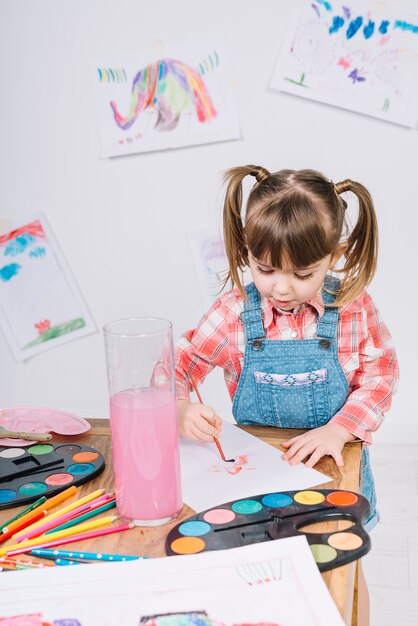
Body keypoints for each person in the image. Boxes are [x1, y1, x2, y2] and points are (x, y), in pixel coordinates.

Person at [175, 165, 399, 533]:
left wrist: (340, 430)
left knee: (345, 568)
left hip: (333, 468)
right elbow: (180, 365)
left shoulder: (354, 309)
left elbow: (381, 376)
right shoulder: (233, 314)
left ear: (335, 256)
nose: (281, 289)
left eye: (301, 274)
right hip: (257, 477)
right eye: (265, 269)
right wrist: (180, 407)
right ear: (247, 250)